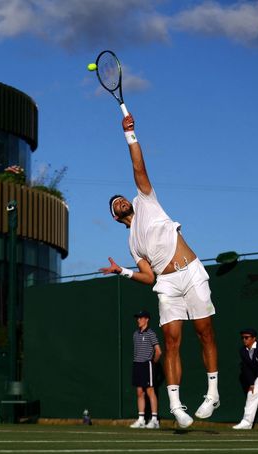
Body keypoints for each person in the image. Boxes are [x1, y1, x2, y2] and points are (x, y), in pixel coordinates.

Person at [100, 111, 219, 428]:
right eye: (116, 204)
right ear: (115, 217)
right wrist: (123, 272)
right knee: (171, 342)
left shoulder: (145, 199)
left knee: (204, 333)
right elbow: (148, 277)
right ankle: (176, 405)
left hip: (190, 270)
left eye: (122, 197)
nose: (121, 201)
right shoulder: (132, 243)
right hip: (166, 283)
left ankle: (212, 393)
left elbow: (138, 166)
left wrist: (130, 134)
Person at [129, 310, 162, 429]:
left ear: (146, 319)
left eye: (141, 317)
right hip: (137, 365)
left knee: (150, 391)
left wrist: (153, 363)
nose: (138, 320)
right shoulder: (135, 334)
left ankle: (154, 420)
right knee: (139, 392)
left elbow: (158, 351)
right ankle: (141, 420)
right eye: (137, 318)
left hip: (147, 365)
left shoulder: (151, 334)